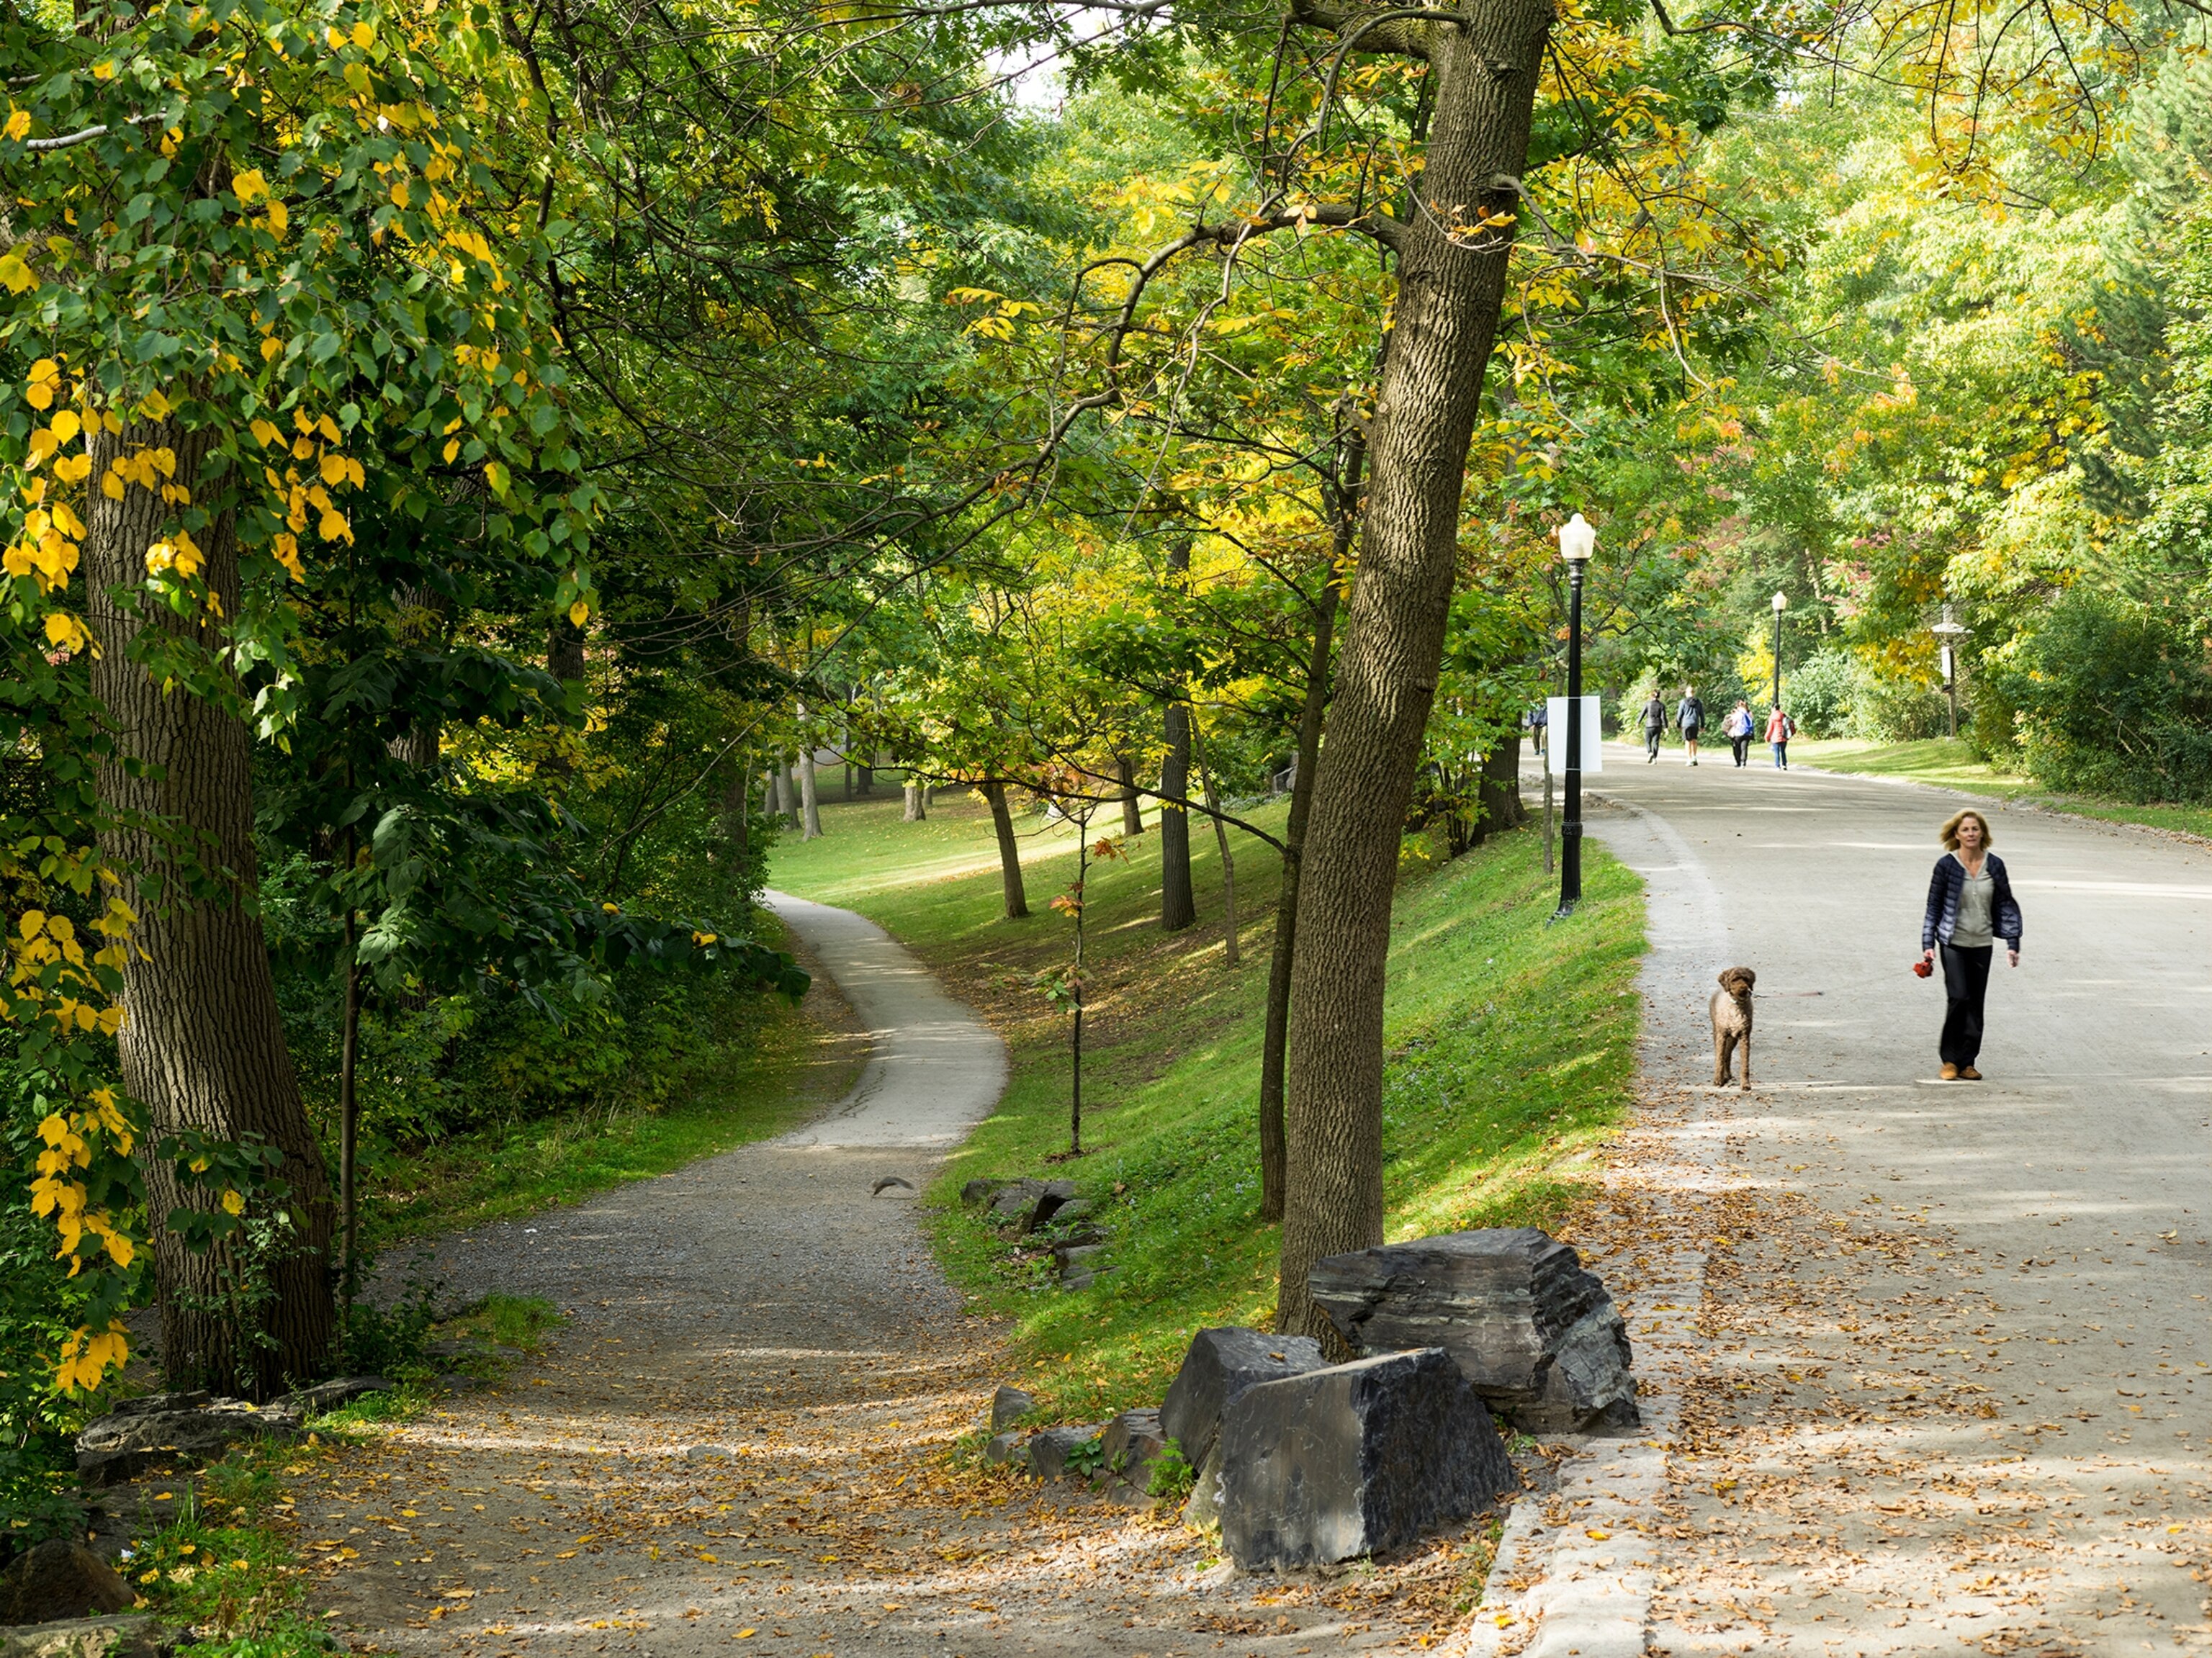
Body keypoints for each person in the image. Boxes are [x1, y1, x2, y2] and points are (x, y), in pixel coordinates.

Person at [1920, 809, 2022, 1081]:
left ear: (1982, 833)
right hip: (1952, 942)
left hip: (1982, 942)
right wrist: (1927, 942)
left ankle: (1968, 1062)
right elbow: (1933, 906)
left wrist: (2013, 943)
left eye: (1975, 829)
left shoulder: (1995, 865)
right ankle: (1950, 1060)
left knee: (1976, 1003)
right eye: (1965, 830)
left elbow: (2006, 904)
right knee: (1959, 997)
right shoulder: (1946, 865)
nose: (1971, 834)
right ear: (1956, 834)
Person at [1676, 685, 1705, 766]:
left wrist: (1678, 724)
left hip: (1686, 724)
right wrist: (1702, 725)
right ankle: (1694, 757)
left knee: (1687, 741)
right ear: (1693, 693)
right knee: (1694, 740)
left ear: (1687, 693)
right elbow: (1702, 715)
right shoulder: (1698, 702)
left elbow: (1680, 714)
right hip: (1695, 723)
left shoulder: (1683, 702)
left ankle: (1689, 759)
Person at [1640, 690, 1667, 763]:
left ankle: (1650, 753)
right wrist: (1666, 727)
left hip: (1649, 725)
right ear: (1659, 696)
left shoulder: (1648, 704)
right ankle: (1654, 758)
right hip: (1658, 725)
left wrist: (1638, 722)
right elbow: (1663, 717)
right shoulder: (1661, 705)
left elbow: (1642, 713)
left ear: (1651, 696)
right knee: (1656, 742)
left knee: (1648, 741)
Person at [1725, 700, 1753, 767]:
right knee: (1744, 748)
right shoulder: (1748, 713)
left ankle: (1738, 762)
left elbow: (1733, 723)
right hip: (1747, 733)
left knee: (1737, 748)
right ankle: (1743, 762)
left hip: (1738, 733)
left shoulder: (1737, 714)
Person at [1765, 704, 1794, 768]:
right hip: (1784, 736)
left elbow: (1770, 728)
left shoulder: (1772, 717)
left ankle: (1778, 765)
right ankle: (1784, 764)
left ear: (1774, 708)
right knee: (1783, 751)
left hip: (1775, 737)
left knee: (1776, 752)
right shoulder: (1783, 715)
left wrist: (1767, 737)